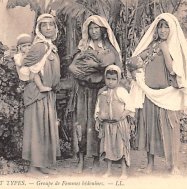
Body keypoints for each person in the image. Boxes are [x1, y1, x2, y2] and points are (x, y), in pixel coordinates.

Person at [128, 13, 187, 174]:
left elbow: (173, 70)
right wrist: (135, 67)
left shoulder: (177, 47)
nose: (163, 30)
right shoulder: (152, 46)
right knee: (149, 128)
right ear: (156, 28)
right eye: (160, 26)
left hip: (168, 96)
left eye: (166, 26)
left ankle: (174, 166)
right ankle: (150, 164)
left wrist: (165, 50)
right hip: (150, 94)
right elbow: (134, 60)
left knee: (170, 129)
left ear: (172, 29)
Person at [68, 15, 122, 173]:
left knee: (97, 124)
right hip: (83, 91)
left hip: (100, 92)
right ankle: (81, 159)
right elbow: (73, 65)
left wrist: (97, 66)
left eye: (96, 28)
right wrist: (78, 70)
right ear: (87, 30)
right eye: (91, 28)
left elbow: (113, 67)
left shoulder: (108, 48)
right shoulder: (84, 47)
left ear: (103, 30)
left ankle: (97, 159)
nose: (94, 31)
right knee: (82, 124)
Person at [20, 13, 61, 175]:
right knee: (36, 129)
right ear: (39, 28)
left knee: (45, 128)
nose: (48, 28)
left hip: (47, 93)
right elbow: (26, 66)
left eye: (51, 24)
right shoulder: (39, 46)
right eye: (44, 25)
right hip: (37, 94)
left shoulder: (49, 45)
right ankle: (33, 168)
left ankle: (41, 164)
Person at [95, 65, 135, 179]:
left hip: (119, 125)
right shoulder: (102, 92)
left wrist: (123, 115)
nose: (110, 82)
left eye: (113, 79)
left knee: (121, 147)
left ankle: (124, 172)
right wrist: (98, 120)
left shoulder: (121, 91)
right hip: (107, 125)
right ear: (105, 78)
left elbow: (130, 106)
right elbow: (98, 108)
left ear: (118, 79)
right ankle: (108, 171)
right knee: (108, 148)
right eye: (108, 79)